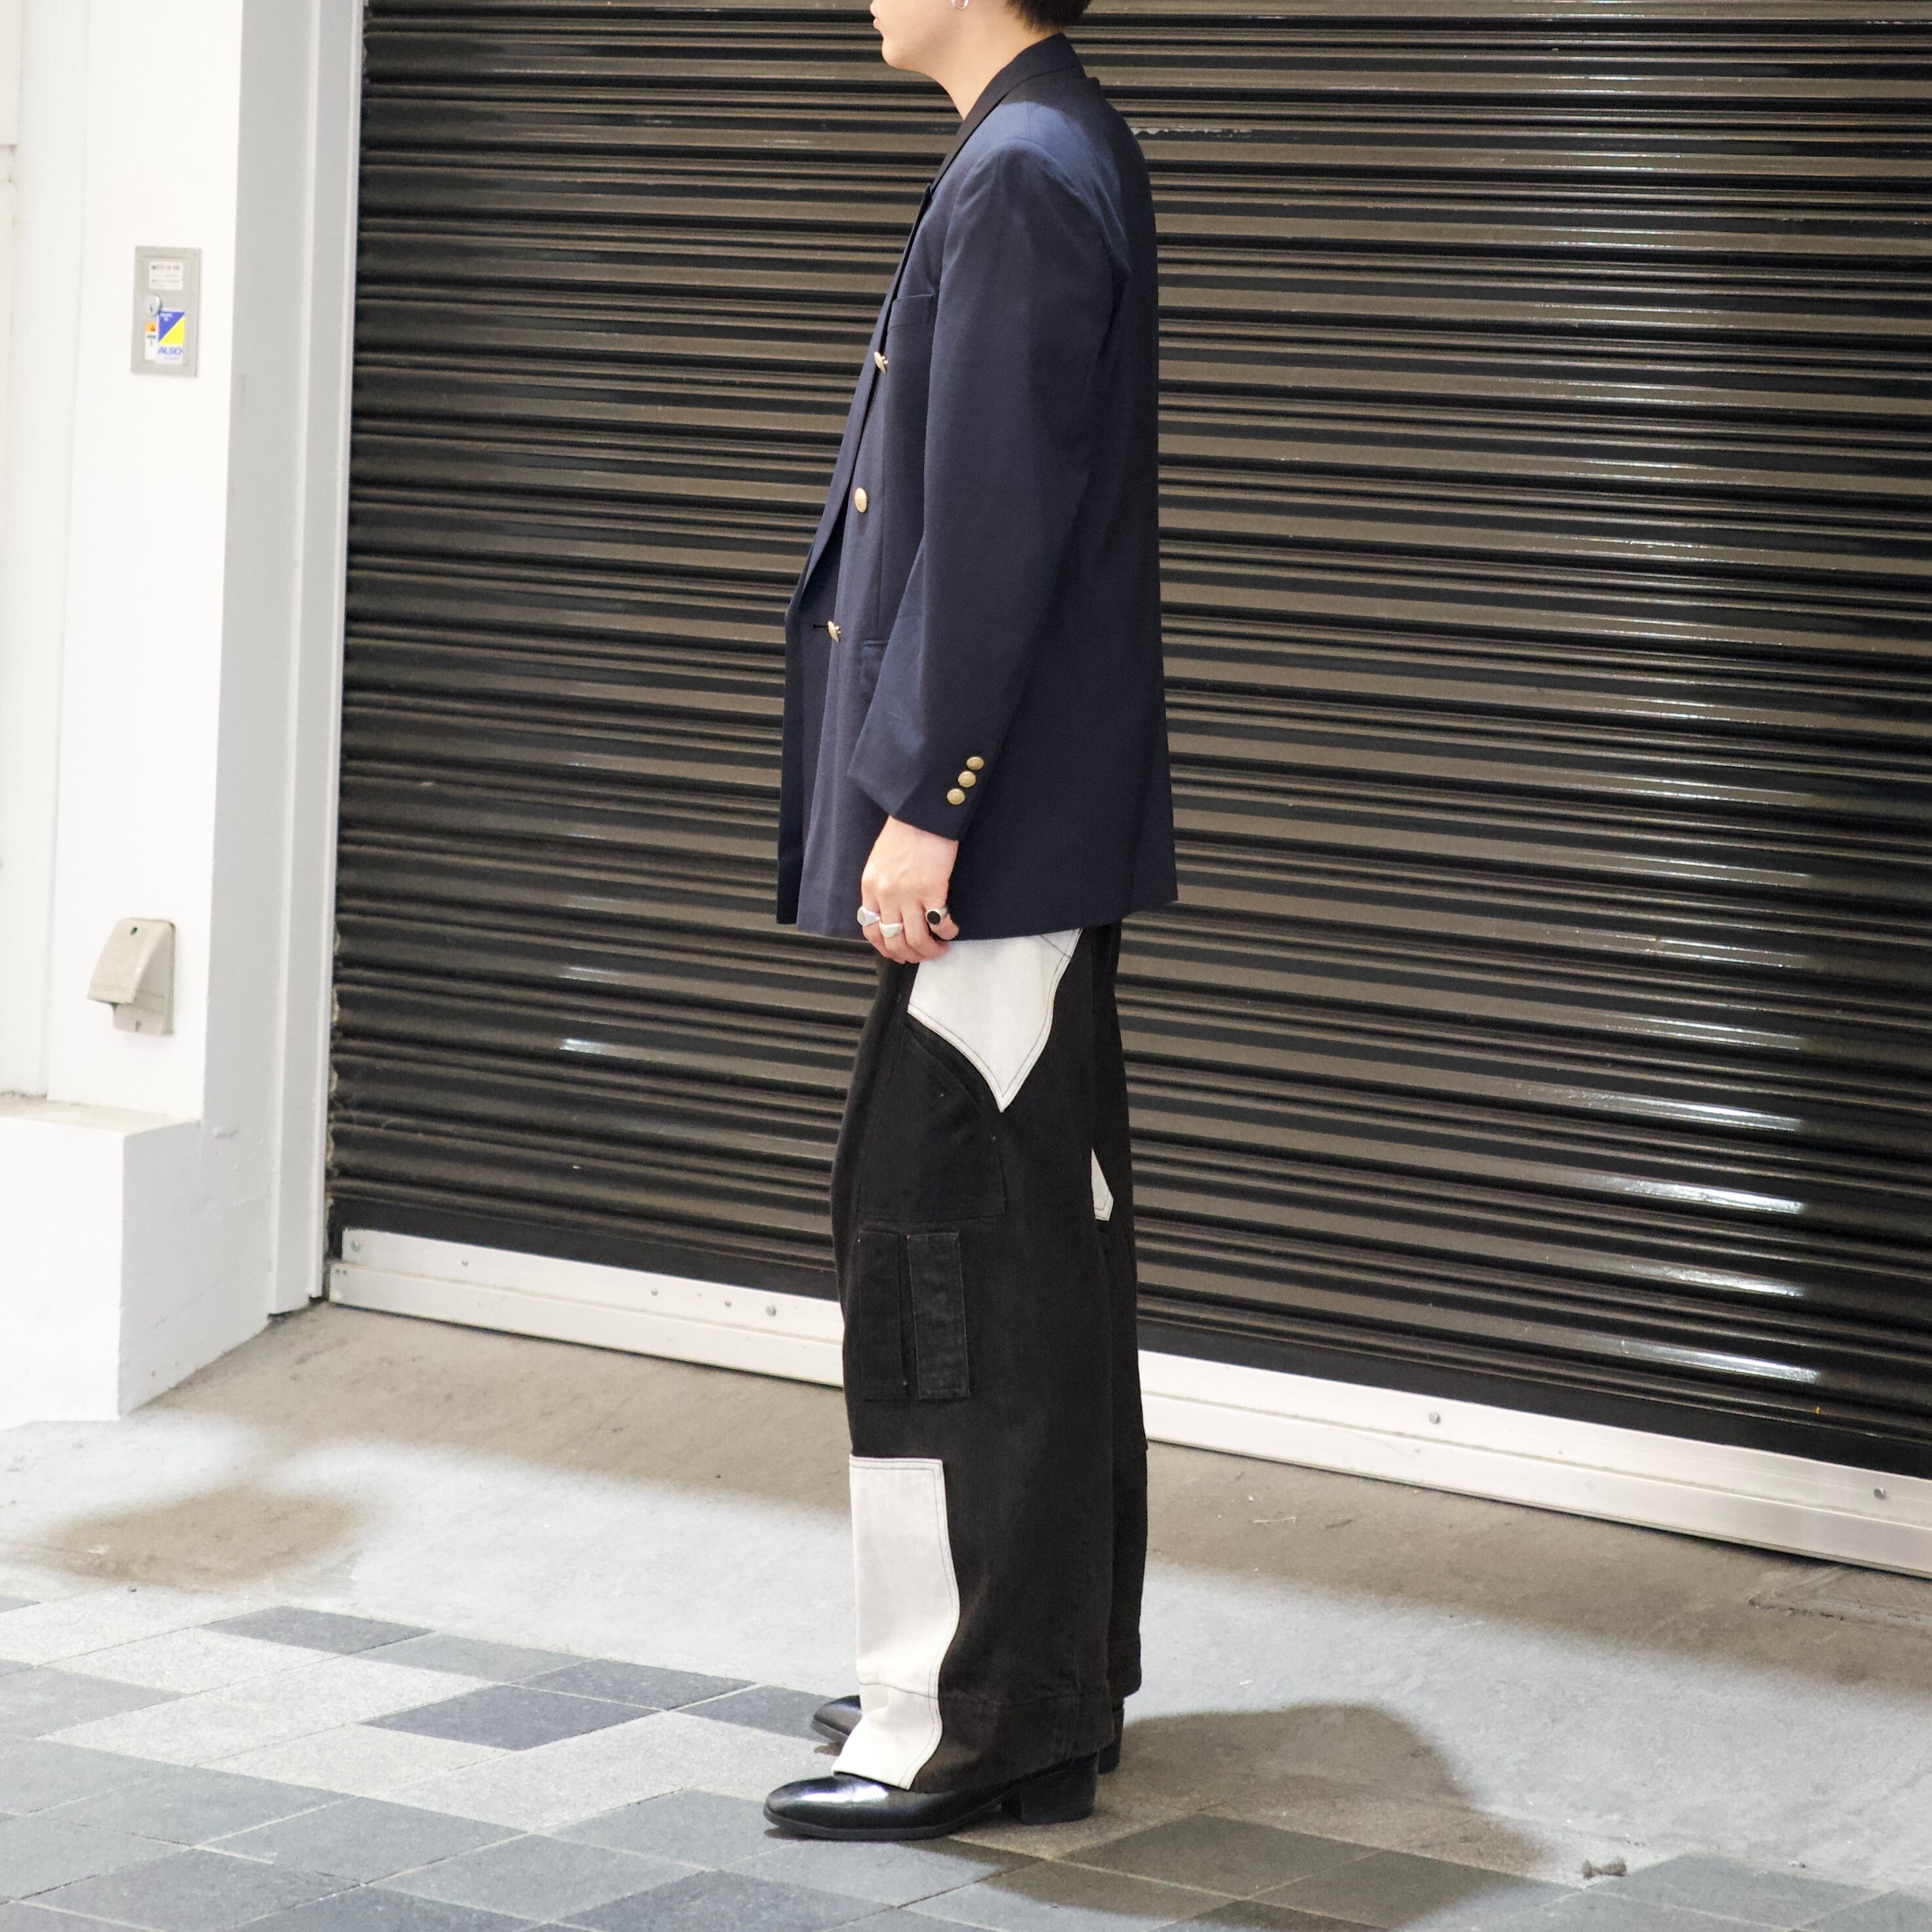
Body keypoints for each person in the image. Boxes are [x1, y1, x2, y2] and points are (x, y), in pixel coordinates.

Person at [765, 0, 1176, 1843]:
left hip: (993, 851)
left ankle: (966, 1716)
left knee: (940, 1258)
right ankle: (1045, 1683)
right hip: (1028, 841)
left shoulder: (1022, 168)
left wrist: (931, 795)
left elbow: (998, 523)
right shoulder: (1044, 144)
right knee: (1030, 1252)